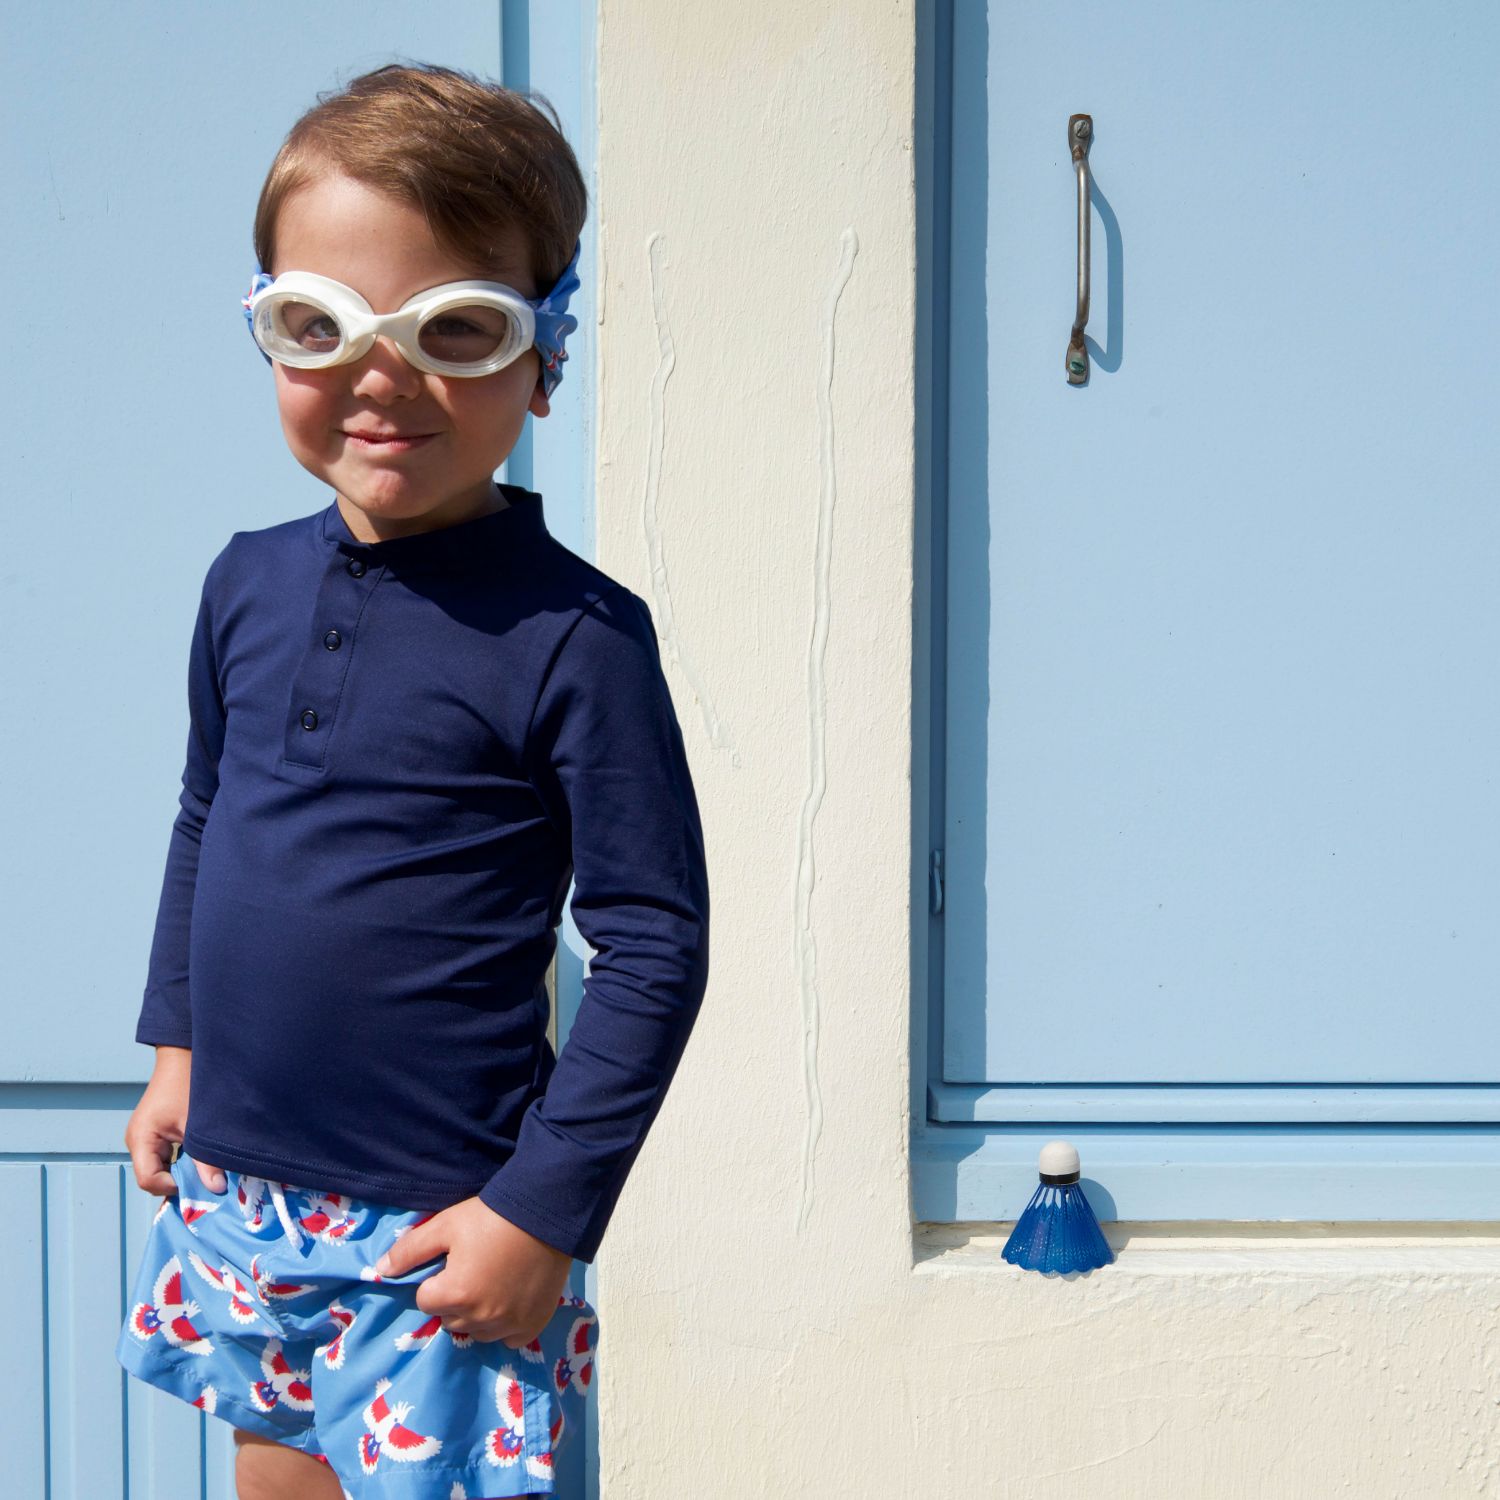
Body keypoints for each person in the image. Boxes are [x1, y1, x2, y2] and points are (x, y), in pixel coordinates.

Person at [114, 62, 711, 1500]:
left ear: (543, 357)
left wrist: (541, 1209)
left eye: (452, 328)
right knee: (277, 1478)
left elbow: (654, 943)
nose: (381, 376)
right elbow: (209, 814)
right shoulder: (245, 583)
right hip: (245, 1184)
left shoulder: (577, 638)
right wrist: (177, 1047)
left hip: (442, 1216)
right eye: (320, 326)